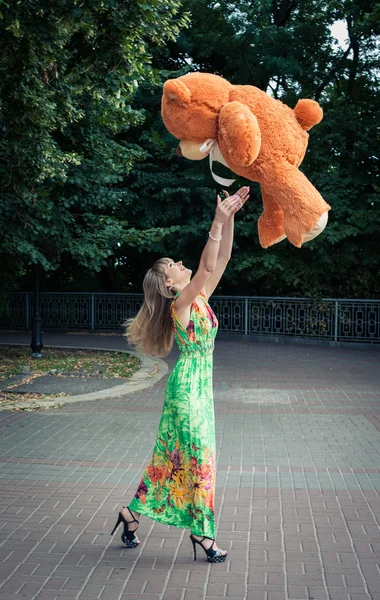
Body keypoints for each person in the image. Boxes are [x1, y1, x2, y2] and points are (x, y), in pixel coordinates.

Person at [110, 186, 250, 563]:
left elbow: (220, 260)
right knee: (199, 462)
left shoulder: (199, 296)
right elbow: (205, 266)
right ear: (170, 284)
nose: (180, 263)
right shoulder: (182, 303)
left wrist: (231, 216)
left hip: (199, 391)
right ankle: (203, 535)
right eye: (173, 264)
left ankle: (131, 514)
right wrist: (216, 221)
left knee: (169, 460)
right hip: (187, 392)